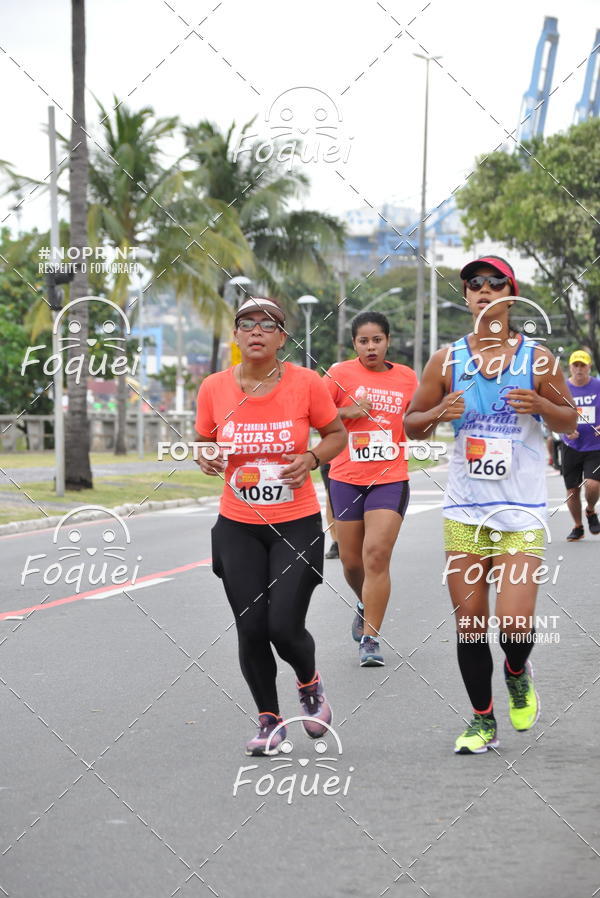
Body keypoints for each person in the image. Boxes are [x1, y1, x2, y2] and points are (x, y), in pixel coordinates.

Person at [404, 256, 577, 754]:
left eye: (495, 283)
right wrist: (438, 413)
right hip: (465, 510)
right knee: (470, 624)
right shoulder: (447, 361)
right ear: (465, 296)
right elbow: (411, 425)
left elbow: (570, 421)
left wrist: (542, 406)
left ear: (510, 294)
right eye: (474, 283)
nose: (483, 290)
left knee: (515, 626)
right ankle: (482, 720)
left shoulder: (538, 360)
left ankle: (517, 671)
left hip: (521, 510)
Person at [194, 297, 346, 756]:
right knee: (251, 626)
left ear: (282, 337)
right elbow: (203, 439)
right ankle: (269, 721)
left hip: (295, 523)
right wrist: (205, 454)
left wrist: (312, 458)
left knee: (282, 625)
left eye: (268, 324)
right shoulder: (214, 387)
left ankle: (309, 684)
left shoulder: (306, 383)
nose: (256, 331)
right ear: (236, 335)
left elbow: (337, 435)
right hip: (238, 524)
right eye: (247, 323)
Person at [323, 312, 418, 666]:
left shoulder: (407, 377)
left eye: (377, 340)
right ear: (354, 344)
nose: (371, 347)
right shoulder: (338, 374)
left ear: (388, 341)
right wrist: (348, 412)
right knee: (351, 562)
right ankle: (364, 602)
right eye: (363, 341)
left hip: (390, 477)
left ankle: (370, 639)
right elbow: (315, 416)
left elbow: (417, 419)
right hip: (346, 477)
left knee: (376, 554)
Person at [560, 350, 600, 541]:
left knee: (592, 485)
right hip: (571, 446)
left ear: (589, 367)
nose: (579, 369)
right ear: (570, 367)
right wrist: (565, 429)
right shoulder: (562, 389)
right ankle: (578, 526)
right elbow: (554, 414)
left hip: (595, 446)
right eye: (575, 365)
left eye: (582, 365)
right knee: (572, 490)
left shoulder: (598, 386)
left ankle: (590, 510)